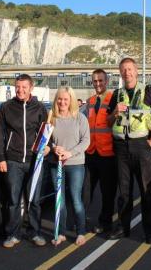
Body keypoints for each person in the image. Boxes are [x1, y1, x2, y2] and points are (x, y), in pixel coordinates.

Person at [107, 57, 151, 244]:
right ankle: (123, 228)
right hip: (122, 148)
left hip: (142, 147)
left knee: (146, 191)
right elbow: (108, 122)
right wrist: (115, 112)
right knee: (124, 192)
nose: (127, 73)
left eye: (130, 69)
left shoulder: (148, 91)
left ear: (136, 71)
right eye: (124, 70)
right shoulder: (117, 94)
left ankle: (150, 232)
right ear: (120, 72)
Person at [0, 74, 49, 248]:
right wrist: (1, 158)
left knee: (34, 200)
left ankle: (35, 232)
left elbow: (46, 133)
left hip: (35, 161)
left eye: (24, 87)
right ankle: (13, 234)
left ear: (31, 88)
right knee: (13, 200)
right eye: (18, 86)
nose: (20, 90)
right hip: (13, 161)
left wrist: (48, 146)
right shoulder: (6, 107)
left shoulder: (39, 108)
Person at [49, 87, 90, 246]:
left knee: (76, 199)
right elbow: (47, 139)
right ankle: (61, 233)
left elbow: (86, 141)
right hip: (56, 164)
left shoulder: (80, 118)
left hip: (75, 164)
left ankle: (80, 232)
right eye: (60, 99)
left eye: (66, 99)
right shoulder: (52, 117)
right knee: (60, 200)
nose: (62, 102)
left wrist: (70, 153)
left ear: (71, 100)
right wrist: (54, 148)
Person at [83, 69, 117, 234]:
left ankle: (105, 223)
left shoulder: (113, 99)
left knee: (107, 192)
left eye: (101, 81)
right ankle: (80, 219)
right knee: (86, 190)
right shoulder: (89, 102)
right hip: (91, 153)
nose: (97, 84)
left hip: (108, 155)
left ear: (107, 81)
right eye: (95, 81)